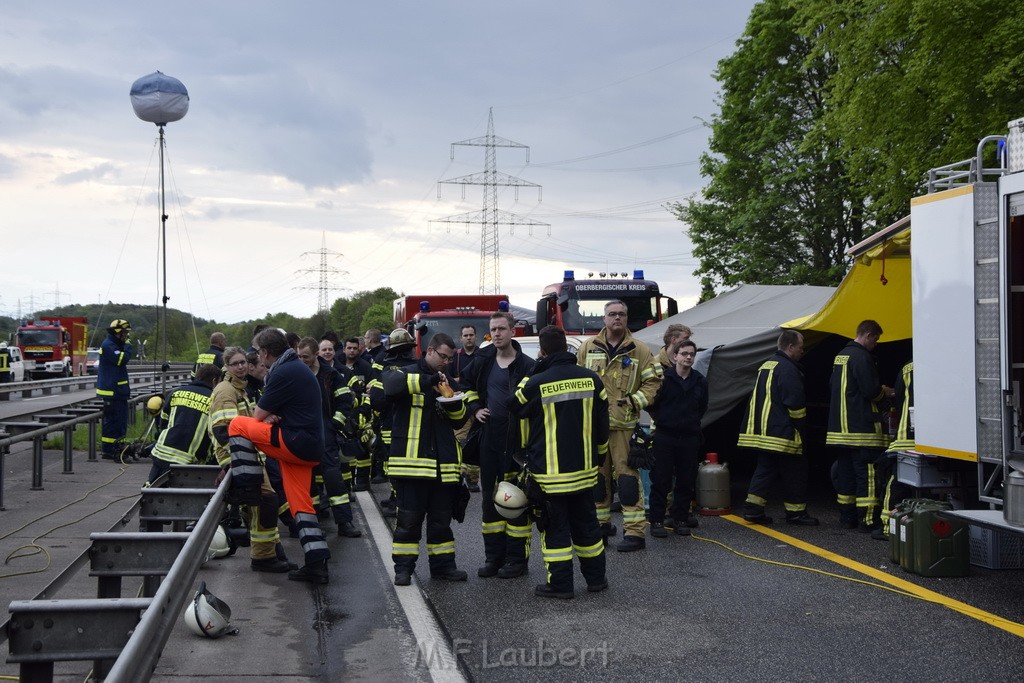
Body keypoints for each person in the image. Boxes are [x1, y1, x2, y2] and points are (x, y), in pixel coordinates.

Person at [508, 325, 610, 599]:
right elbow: (603, 427)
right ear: (566, 346)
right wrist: (599, 457)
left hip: (550, 476)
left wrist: (534, 371)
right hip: (585, 472)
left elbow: (514, 404)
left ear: (542, 350)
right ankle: (597, 580)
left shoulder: (538, 381)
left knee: (555, 531)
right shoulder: (592, 380)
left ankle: (561, 585)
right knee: (588, 526)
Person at [228, 328, 331, 584]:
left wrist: (268, 416)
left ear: (265, 353)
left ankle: (248, 488)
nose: (257, 358)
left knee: (237, 425)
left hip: (296, 442)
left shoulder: (283, 371)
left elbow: (257, 417)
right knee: (301, 505)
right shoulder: (295, 367)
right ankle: (317, 563)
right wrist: (271, 416)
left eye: (257, 353)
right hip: (308, 446)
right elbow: (272, 412)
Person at [382, 333, 469, 586]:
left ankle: (443, 567)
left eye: (450, 359)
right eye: (443, 356)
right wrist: (427, 381)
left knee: (441, 522)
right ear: (429, 351)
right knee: (408, 522)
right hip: (412, 466)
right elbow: (390, 386)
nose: (446, 362)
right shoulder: (404, 371)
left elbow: (460, 420)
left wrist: (452, 401)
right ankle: (403, 569)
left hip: (443, 468)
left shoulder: (448, 379)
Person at [577, 300, 662, 552]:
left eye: (621, 314)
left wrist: (634, 402)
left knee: (626, 479)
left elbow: (654, 383)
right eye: (612, 314)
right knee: (597, 479)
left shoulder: (640, 350)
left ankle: (635, 533)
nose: (617, 318)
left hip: (624, 426)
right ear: (604, 319)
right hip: (594, 426)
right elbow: (577, 381)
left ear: (627, 319)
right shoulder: (587, 347)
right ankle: (600, 527)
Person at [463, 312, 536, 579]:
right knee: (489, 502)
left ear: (512, 332)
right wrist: (475, 408)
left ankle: (517, 560)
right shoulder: (482, 362)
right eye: (493, 330)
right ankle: (493, 558)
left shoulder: (528, 366)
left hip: (517, 444)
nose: (496, 334)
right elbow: (467, 385)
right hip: (490, 441)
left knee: (516, 501)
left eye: (501, 329)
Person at [207, 347, 293, 572]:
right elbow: (222, 431)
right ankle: (264, 557)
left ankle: (269, 553)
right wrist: (232, 462)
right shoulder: (226, 391)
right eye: (235, 363)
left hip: (247, 455)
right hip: (237, 456)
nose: (241, 366)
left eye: (243, 362)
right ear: (226, 366)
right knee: (266, 501)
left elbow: (246, 424)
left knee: (259, 505)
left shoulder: (241, 389)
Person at [737, 330, 818, 526]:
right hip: (782, 432)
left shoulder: (768, 364)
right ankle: (796, 513)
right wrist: (801, 431)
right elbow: (795, 403)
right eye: (800, 347)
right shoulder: (789, 368)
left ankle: (753, 510)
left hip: (765, 432)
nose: (802, 350)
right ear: (790, 347)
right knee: (796, 470)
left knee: (765, 469)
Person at [827, 320, 895, 533]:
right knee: (867, 476)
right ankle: (867, 521)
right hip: (862, 430)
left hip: (840, 431)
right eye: (875, 340)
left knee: (845, 474)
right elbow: (870, 391)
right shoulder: (862, 356)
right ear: (867, 335)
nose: (875, 345)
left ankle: (847, 518)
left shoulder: (840, 355)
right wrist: (886, 392)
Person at [297, 337, 362, 538]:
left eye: (305, 356)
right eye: (299, 356)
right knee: (308, 483)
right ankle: (314, 523)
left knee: (335, 480)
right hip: (304, 434)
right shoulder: (297, 374)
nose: (302, 360)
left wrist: (335, 424)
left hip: (326, 433)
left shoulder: (331, 375)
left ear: (316, 353)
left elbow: (345, 402)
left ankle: (344, 522)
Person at [647, 338, 708, 538]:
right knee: (661, 480)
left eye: (692, 354)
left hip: (689, 437)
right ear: (675, 357)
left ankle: (680, 519)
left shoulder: (699, 381)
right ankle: (656, 520)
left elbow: (703, 407)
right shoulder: (664, 379)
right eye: (684, 354)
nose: (688, 357)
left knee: (685, 480)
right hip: (665, 436)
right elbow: (652, 404)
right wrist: (665, 420)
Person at [366, 328, 418, 515]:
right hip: (416, 427)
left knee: (392, 464)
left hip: (391, 424)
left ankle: (398, 501)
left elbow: (378, 400)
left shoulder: (387, 371)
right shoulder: (419, 367)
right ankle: (398, 498)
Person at [146, 364, 219, 484]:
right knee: (178, 497)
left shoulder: (176, 392)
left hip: (161, 452)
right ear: (214, 380)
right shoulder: (214, 400)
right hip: (187, 461)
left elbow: (163, 423)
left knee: (152, 488)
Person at [878, 360, 915, 539]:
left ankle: (888, 528)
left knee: (896, 482)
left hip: (906, 436)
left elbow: (900, 400)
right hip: (930, 438)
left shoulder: (906, 369)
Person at [340, 336, 375, 490]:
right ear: (344, 349)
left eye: (355, 348)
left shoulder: (366, 367)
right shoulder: (338, 366)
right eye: (349, 348)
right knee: (346, 450)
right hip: (343, 414)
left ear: (359, 349)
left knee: (363, 450)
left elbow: (372, 390)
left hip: (362, 414)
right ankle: (347, 484)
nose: (352, 350)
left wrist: (365, 410)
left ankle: (362, 482)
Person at [96, 319, 134, 460]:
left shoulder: (115, 344)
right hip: (112, 392)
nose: (127, 336)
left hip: (118, 391)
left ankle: (116, 448)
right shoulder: (108, 345)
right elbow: (121, 360)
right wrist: (128, 347)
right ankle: (110, 450)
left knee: (119, 422)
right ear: (118, 332)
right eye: (125, 333)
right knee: (113, 423)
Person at [450, 324, 481, 492]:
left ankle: (473, 479)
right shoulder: (455, 357)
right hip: (461, 405)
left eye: (471, 334)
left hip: (477, 406)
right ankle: (459, 473)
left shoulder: (482, 355)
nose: (468, 337)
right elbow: (447, 378)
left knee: (474, 442)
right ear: (460, 338)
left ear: (476, 337)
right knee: (461, 441)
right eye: (465, 335)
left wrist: (459, 379)